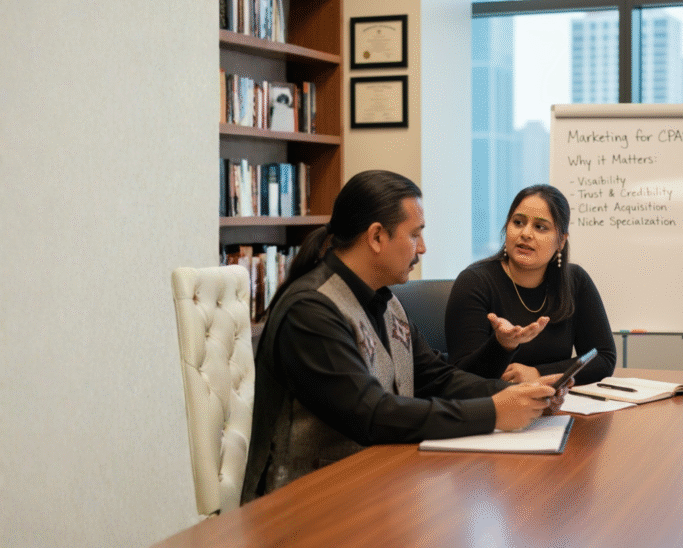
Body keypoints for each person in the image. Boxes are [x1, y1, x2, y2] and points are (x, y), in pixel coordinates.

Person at [241, 170, 567, 503]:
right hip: (301, 505)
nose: (422, 248)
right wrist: (494, 411)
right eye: (415, 234)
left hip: (373, 488)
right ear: (377, 237)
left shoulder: (385, 300)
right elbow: (371, 415)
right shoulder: (310, 312)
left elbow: (436, 379)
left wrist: (521, 396)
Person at [445, 184, 616, 386]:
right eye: (518, 222)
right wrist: (503, 345)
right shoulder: (474, 282)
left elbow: (603, 358)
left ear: (561, 241)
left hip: (555, 408)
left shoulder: (575, 281)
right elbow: (463, 378)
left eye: (540, 227)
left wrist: (538, 375)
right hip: (493, 410)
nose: (526, 233)